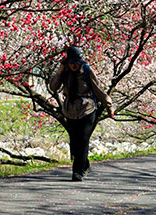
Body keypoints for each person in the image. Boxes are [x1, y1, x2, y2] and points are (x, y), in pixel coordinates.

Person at [49, 46, 115, 181]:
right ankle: (84, 164)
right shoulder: (65, 71)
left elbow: (99, 90)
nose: (74, 65)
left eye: (76, 62)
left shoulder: (86, 70)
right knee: (74, 142)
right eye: (71, 62)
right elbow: (53, 87)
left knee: (83, 139)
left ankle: (77, 172)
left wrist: (109, 106)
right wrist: (60, 70)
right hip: (70, 110)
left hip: (87, 109)